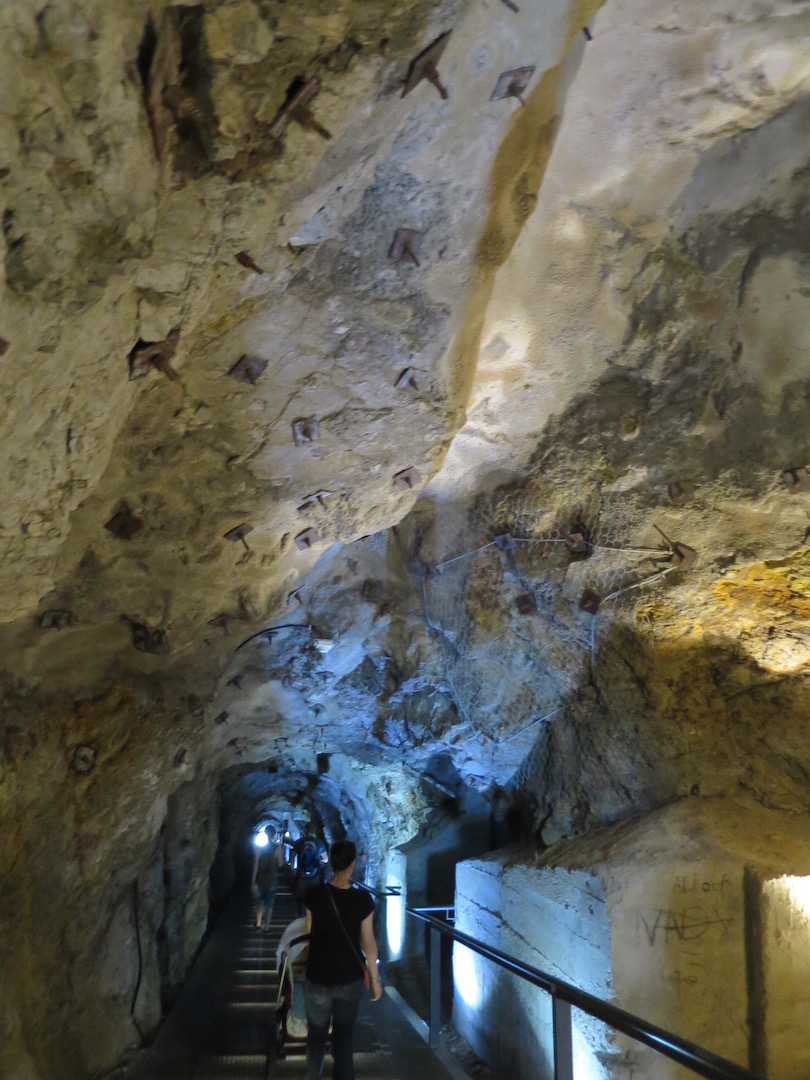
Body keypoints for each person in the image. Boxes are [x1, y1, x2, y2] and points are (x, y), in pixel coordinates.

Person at [304, 840, 383, 1079]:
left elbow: (309, 932)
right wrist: (376, 980)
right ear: (352, 864)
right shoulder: (363, 900)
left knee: (316, 1037)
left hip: (318, 975)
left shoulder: (314, 895)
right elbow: (368, 942)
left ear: (331, 863)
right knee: (344, 1038)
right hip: (349, 978)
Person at [294, 823, 328, 915]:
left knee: (300, 900)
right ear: (314, 831)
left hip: (301, 875)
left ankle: (299, 918)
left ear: (305, 830)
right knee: (313, 899)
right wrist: (319, 862)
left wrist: (293, 872)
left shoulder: (298, 842)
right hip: (314, 875)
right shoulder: (319, 843)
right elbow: (325, 859)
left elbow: (292, 859)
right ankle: (310, 919)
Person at [251, 833, 282, 932]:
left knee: (259, 902)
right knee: (269, 904)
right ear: (274, 835)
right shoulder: (277, 848)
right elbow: (280, 864)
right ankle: (267, 927)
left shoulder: (259, 847)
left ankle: (258, 923)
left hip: (260, 879)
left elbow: (255, 863)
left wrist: (253, 880)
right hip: (272, 879)